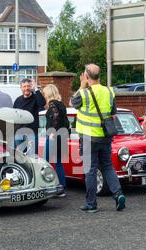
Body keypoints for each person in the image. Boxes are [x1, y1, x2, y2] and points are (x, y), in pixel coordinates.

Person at [70, 64, 126, 213]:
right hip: (105, 137)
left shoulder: (84, 93)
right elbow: (113, 114)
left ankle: (91, 203)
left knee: (90, 170)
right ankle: (118, 194)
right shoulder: (109, 91)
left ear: (87, 77)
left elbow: (71, 103)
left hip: (88, 138)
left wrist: (82, 86)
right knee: (108, 166)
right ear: (100, 76)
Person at [42, 84, 69, 198]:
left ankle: (47, 187)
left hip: (53, 136)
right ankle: (61, 188)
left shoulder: (52, 104)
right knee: (58, 163)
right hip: (62, 137)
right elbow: (66, 122)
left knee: (45, 163)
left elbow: (55, 117)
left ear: (48, 93)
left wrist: (53, 131)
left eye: (44, 93)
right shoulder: (62, 104)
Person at [14, 79, 46, 155]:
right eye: (24, 86)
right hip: (19, 132)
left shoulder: (36, 97)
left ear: (31, 87)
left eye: (28, 86)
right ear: (21, 88)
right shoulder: (18, 100)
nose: (26, 88)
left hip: (32, 132)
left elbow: (42, 103)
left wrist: (36, 89)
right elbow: (14, 115)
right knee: (20, 155)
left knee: (32, 155)